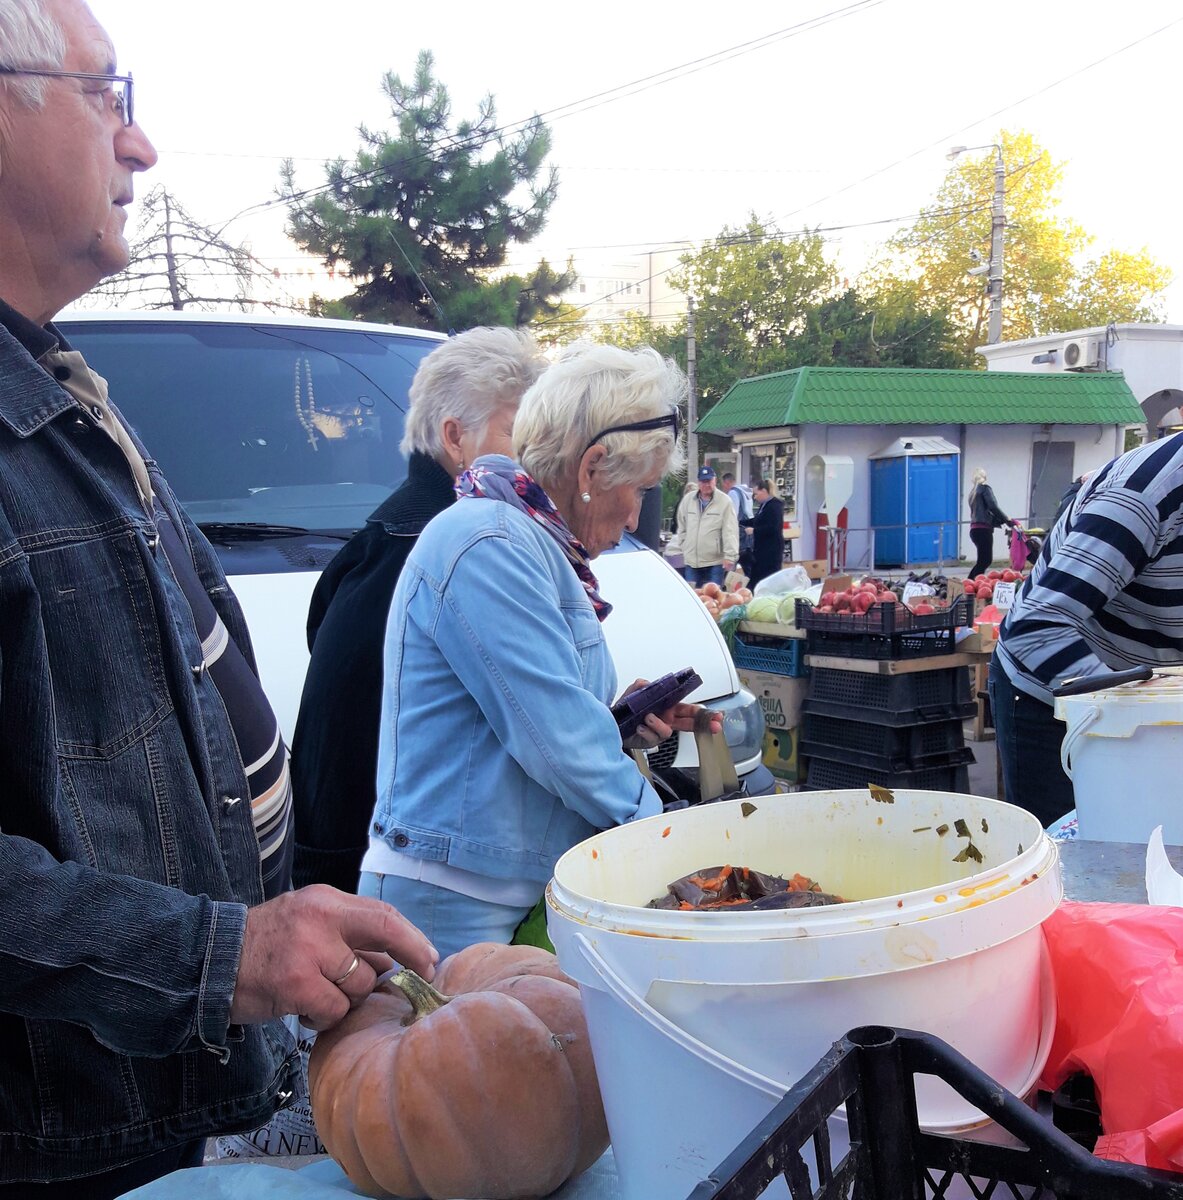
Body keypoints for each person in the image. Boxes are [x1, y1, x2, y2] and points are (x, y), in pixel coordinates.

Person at [0, 2, 436, 1193]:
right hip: (53, 1141)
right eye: (109, 95)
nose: (140, 148)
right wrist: (225, 952)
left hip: (148, 1099)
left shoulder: (53, 381)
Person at [360, 342, 721, 958]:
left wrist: (615, 722)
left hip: (500, 887)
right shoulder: (490, 542)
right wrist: (674, 844)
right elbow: (556, 742)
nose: (637, 517)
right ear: (591, 468)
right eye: (641, 489)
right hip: (452, 905)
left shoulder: (526, 542)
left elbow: (538, 719)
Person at [291, 327, 545, 893]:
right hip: (380, 890)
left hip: (363, 867)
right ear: (456, 438)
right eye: (517, 432)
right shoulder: (447, 552)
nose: (533, 455)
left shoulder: (386, 537)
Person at [990, 434, 1183, 827]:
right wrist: (1136, 726)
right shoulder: (1142, 498)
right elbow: (1036, 628)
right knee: (1084, 864)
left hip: (1156, 707)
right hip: (1055, 697)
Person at [676, 464, 739, 588]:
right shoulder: (688, 500)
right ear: (698, 482)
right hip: (692, 562)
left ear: (715, 481)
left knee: (714, 599)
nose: (707, 485)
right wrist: (685, 545)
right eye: (703, 481)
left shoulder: (725, 501)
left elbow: (730, 530)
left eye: (709, 481)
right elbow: (681, 525)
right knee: (693, 597)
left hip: (715, 562)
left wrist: (730, 556)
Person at [966, 467, 1015, 579]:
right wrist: (1007, 520)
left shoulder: (972, 493)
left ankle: (970, 583)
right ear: (985, 478)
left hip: (974, 530)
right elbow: (993, 506)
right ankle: (971, 584)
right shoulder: (984, 489)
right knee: (985, 560)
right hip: (983, 529)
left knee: (982, 560)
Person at [741, 479, 785, 591]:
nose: (754, 497)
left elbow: (773, 527)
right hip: (761, 550)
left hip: (770, 552)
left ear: (764, 491)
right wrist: (741, 522)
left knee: (766, 579)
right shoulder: (764, 506)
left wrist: (755, 531)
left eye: (756, 494)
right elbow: (757, 520)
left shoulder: (775, 506)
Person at [721, 471, 755, 577]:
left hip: (739, 534)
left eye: (724, 485)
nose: (724, 489)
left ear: (727, 483)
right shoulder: (746, 493)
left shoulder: (733, 493)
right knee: (748, 567)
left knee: (731, 566)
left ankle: (727, 588)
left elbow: (732, 515)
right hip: (748, 533)